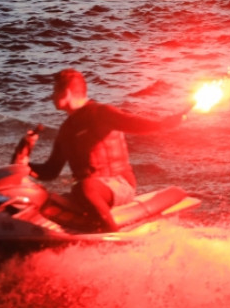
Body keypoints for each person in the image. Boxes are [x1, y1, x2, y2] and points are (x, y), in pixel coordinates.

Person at [31, 68, 175, 232]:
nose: (52, 96)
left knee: (84, 187)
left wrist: (164, 124)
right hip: (88, 190)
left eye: (55, 91)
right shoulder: (66, 129)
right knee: (44, 201)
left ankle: (112, 235)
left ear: (68, 91)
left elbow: (134, 123)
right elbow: (51, 170)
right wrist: (24, 164)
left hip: (119, 184)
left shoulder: (101, 113)